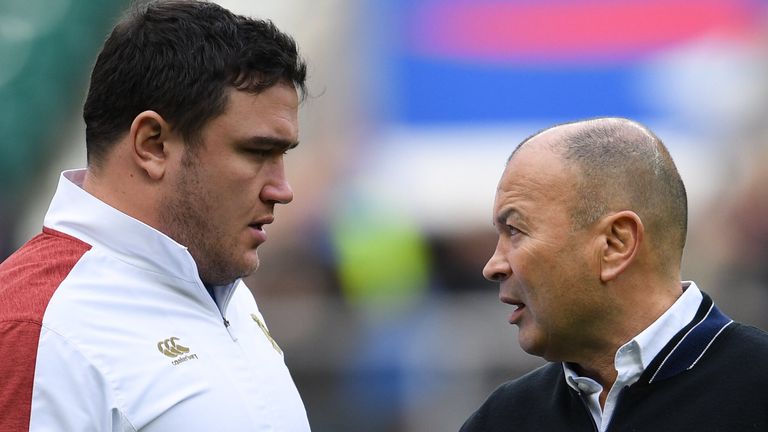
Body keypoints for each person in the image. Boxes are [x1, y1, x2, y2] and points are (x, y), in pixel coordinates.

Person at [0, 1, 311, 430]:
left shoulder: (221, 287)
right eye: (257, 152)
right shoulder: (36, 326)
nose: (283, 189)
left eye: (282, 155)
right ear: (153, 144)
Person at [460, 117, 768, 432]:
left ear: (615, 243)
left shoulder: (756, 389)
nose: (492, 266)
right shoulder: (505, 418)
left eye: (515, 230)